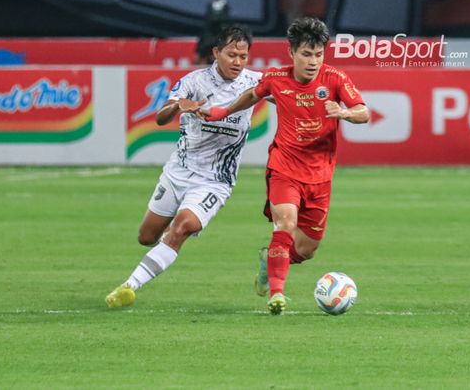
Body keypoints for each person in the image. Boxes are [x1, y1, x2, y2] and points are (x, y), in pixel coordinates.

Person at [200, 17, 370, 315]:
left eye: (318, 54)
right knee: (285, 225)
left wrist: (343, 113)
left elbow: (364, 112)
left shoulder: (335, 79)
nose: (313, 61)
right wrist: (223, 111)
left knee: (306, 249)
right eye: (306, 54)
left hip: (320, 176)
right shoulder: (276, 77)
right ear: (291, 52)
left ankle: (270, 262)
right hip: (285, 168)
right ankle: (277, 294)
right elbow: (254, 94)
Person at [105, 24, 260, 308]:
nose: (237, 62)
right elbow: (160, 118)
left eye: (243, 56)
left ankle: (129, 286)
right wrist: (179, 106)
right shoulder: (193, 81)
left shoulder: (255, 84)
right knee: (146, 236)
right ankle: (163, 247)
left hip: (215, 181)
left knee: (182, 228)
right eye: (231, 55)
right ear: (216, 52)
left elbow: (290, 93)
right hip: (178, 173)